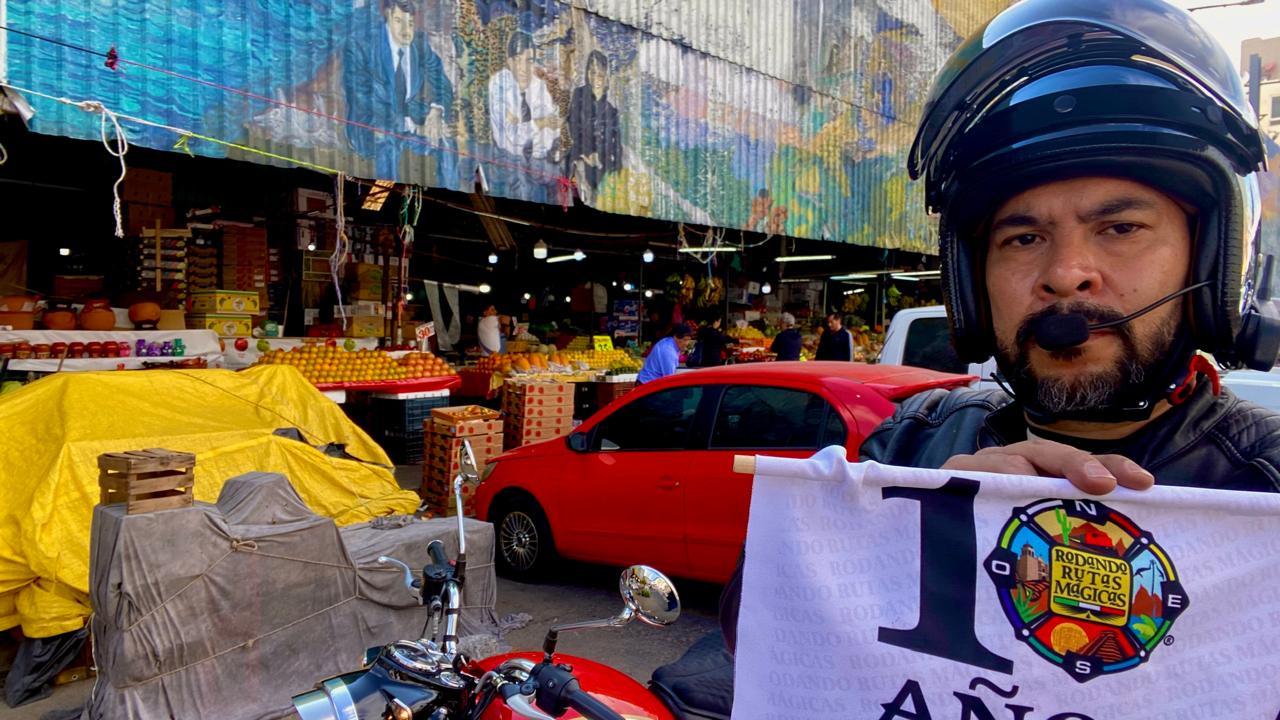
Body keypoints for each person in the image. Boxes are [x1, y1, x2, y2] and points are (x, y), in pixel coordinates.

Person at [718, 0, 1280, 657]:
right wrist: (907, 538)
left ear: (1212, 260)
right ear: (972, 284)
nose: (1066, 274)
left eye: (1120, 228)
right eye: (1023, 237)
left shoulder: (1265, 481)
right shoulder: (911, 446)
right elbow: (753, 646)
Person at [343, 0, 456, 182]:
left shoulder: (420, 45)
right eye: (398, 21)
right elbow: (362, 99)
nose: (406, 30)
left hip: (410, 120)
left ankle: (452, 195)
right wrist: (414, 127)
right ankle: (381, 201)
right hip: (373, 121)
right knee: (386, 138)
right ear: (387, 15)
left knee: (446, 139)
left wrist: (436, 112)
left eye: (410, 23)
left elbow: (442, 82)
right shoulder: (361, 46)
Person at [488, 31, 563, 164]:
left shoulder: (538, 85)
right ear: (509, 62)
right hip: (507, 159)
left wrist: (543, 125)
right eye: (518, 60)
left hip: (539, 159)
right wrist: (541, 123)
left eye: (529, 61)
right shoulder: (499, 84)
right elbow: (513, 136)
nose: (524, 68)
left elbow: (553, 128)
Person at [567, 50, 622, 193]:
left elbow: (615, 146)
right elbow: (573, 126)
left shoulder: (611, 111)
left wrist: (600, 157)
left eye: (600, 74)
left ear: (606, 78)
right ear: (587, 74)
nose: (596, 78)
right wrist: (586, 153)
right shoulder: (579, 95)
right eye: (592, 73)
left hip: (601, 163)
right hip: (580, 155)